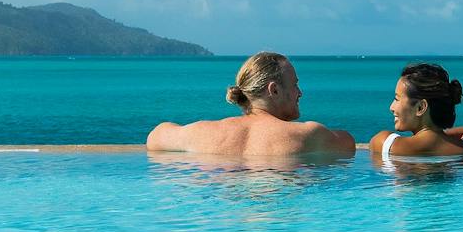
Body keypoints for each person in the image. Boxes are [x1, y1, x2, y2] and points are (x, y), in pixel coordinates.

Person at [146, 51, 354, 158]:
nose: (300, 93)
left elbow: (155, 137)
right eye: (295, 85)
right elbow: (348, 143)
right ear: (274, 90)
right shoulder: (308, 135)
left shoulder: (202, 132)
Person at [366, 62, 463, 164]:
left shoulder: (385, 144)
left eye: (397, 99)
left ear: (421, 107)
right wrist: (438, 135)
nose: (391, 107)